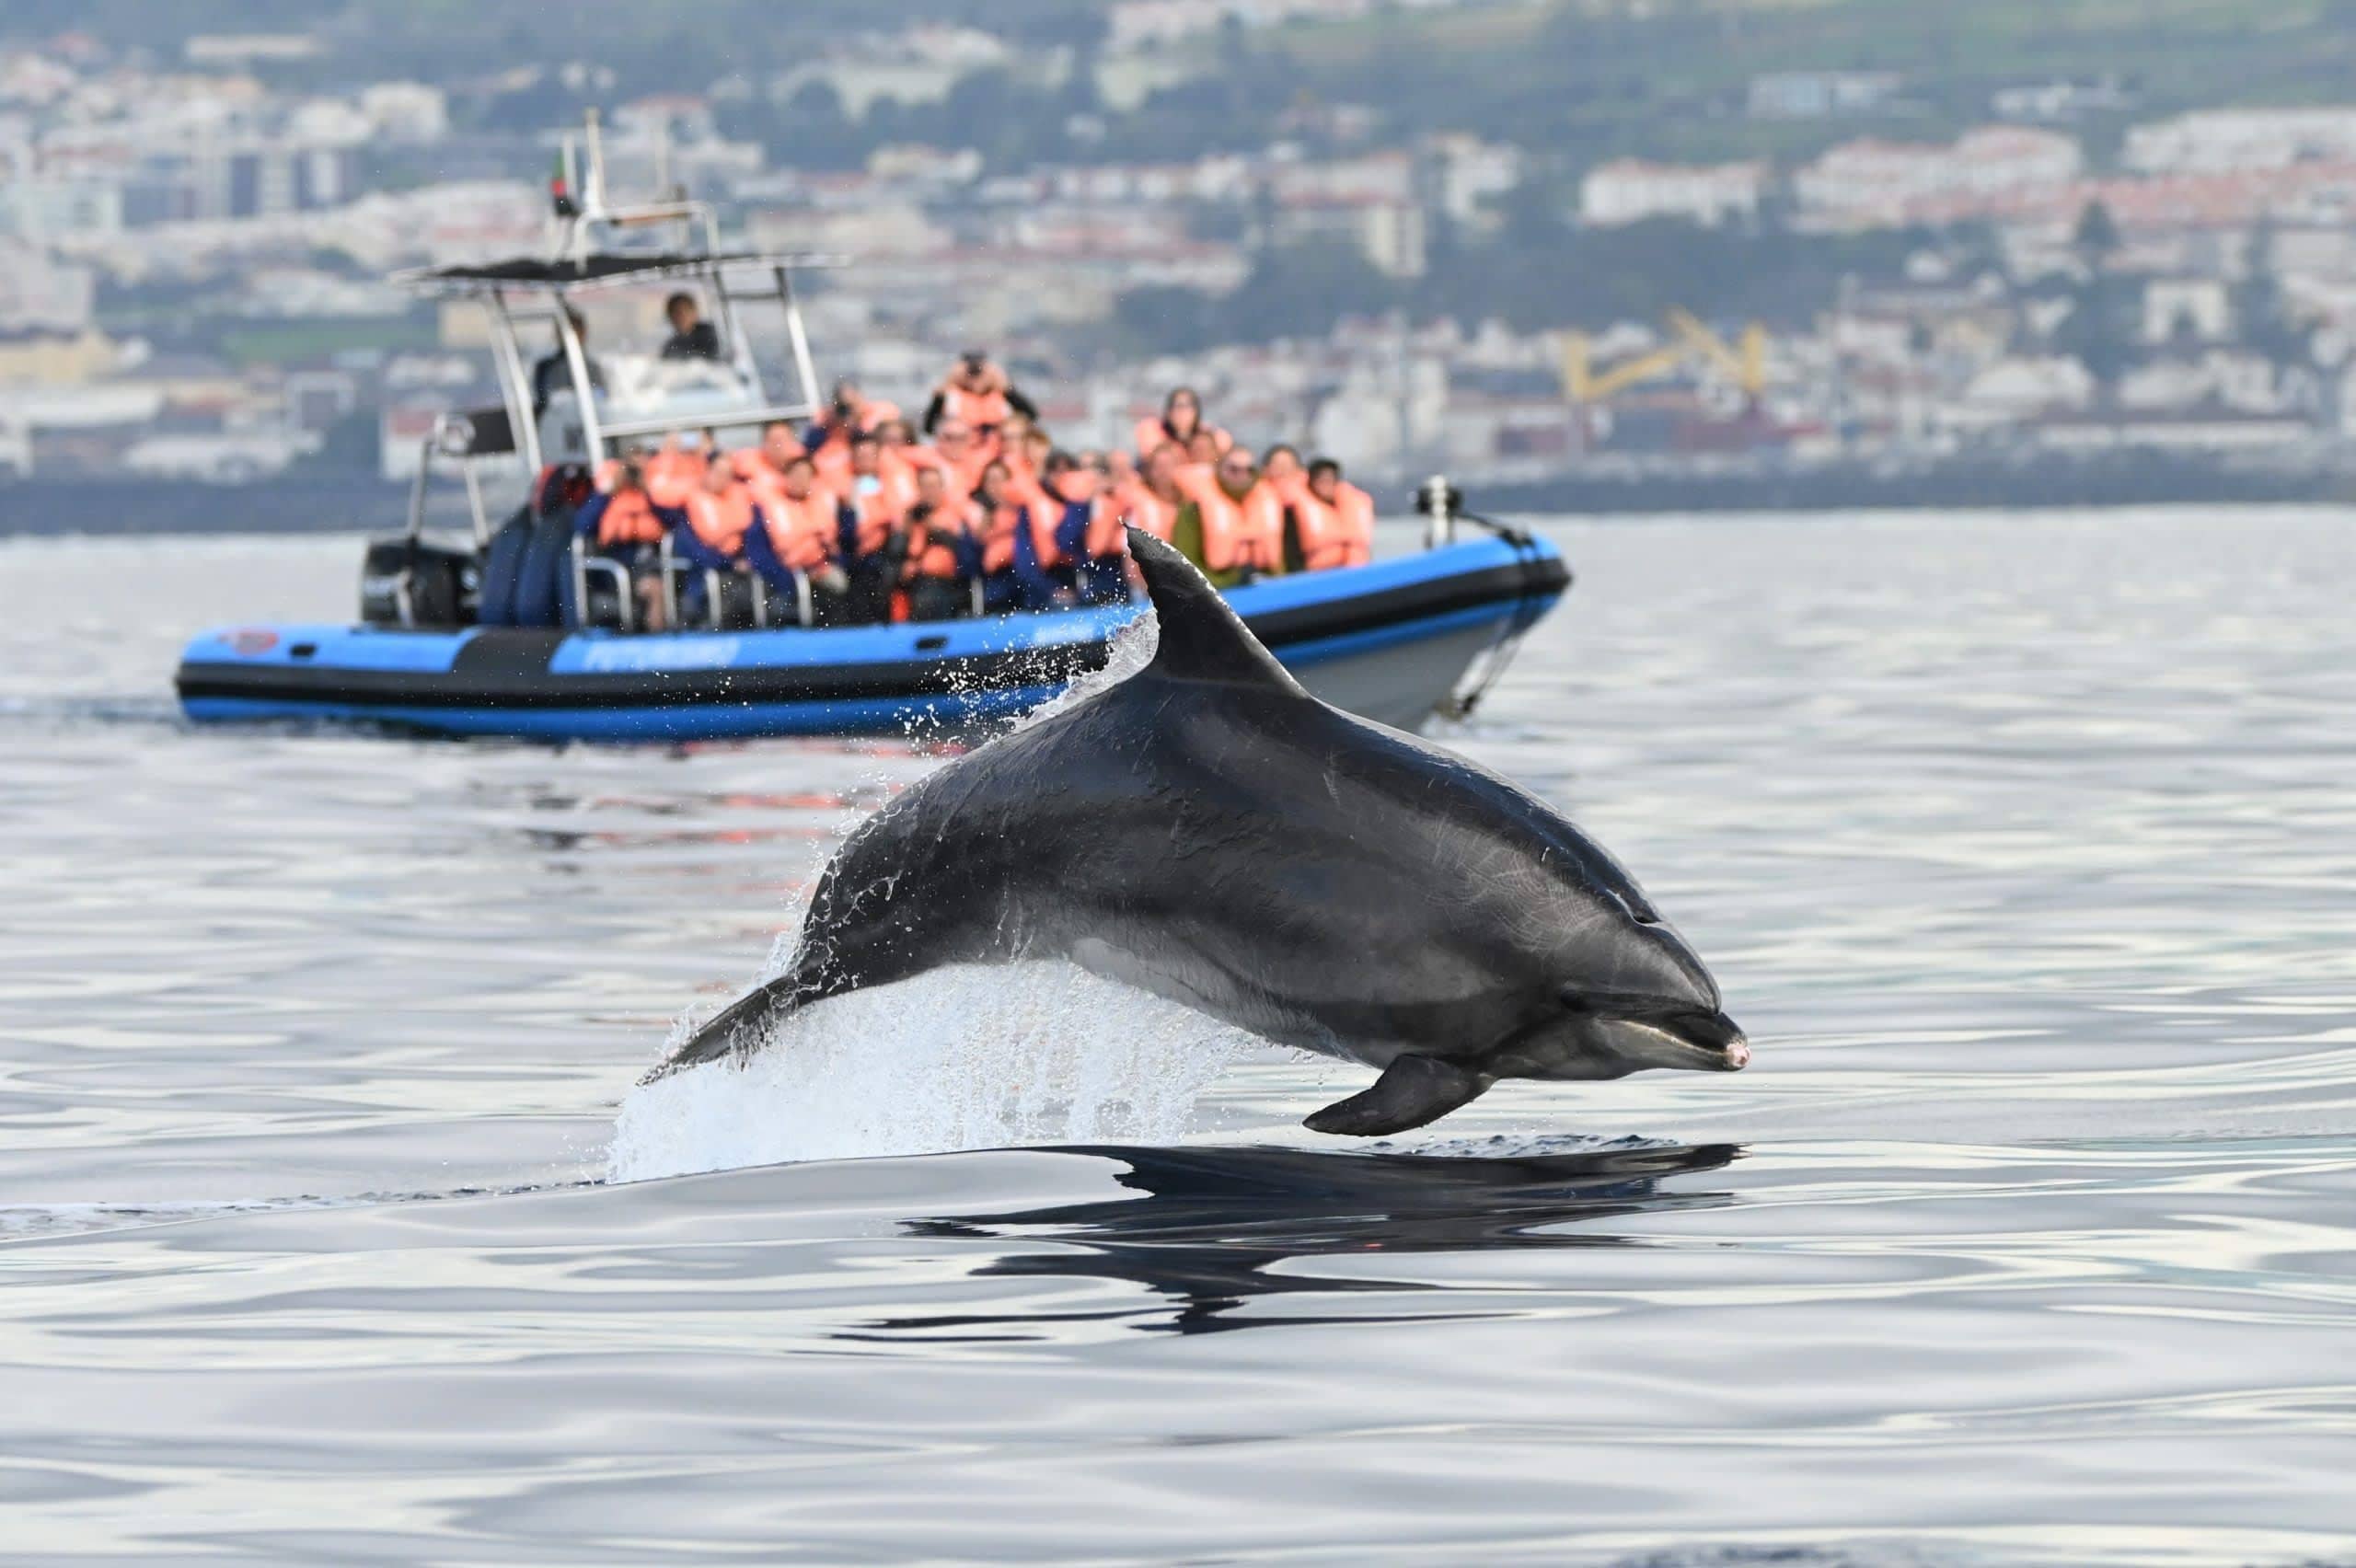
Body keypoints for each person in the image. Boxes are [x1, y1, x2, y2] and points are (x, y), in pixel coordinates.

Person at [572, 460, 680, 629]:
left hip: (649, 566)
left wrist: (648, 494)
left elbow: (673, 521)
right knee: (656, 588)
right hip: (619, 570)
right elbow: (581, 525)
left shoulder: (646, 500)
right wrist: (608, 492)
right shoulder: (605, 502)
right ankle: (658, 639)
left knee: (665, 581)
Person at [745, 455, 853, 622]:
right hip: (785, 574)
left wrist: (848, 510)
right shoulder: (769, 507)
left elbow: (841, 541)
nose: (800, 481)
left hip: (821, 569)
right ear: (785, 477)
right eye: (795, 475)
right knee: (784, 603)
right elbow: (758, 551)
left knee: (842, 585)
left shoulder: (823, 503)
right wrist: (786, 577)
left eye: (805, 476)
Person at [1172, 444, 1283, 589]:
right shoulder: (1194, 508)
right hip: (1217, 590)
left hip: (1265, 585)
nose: (1242, 475)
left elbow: (1281, 561)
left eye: (1249, 470)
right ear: (1219, 470)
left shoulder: (1268, 501)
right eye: (1233, 469)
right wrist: (1231, 581)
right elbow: (1185, 562)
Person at [839, 432, 911, 623]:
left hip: (897, 552)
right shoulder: (848, 492)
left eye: (871, 456)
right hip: (865, 558)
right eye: (861, 456)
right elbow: (847, 534)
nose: (866, 461)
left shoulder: (895, 482)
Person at [900, 464, 979, 622]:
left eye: (934, 486)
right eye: (925, 486)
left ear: (942, 488)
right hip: (916, 582)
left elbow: (969, 556)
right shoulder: (911, 518)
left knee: (929, 600)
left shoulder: (956, 516)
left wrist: (939, 534)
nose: (930, 491)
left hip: (950, 583)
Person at [923, 351, 1036, 439]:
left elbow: (1031, 415)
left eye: (980, 372)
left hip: (995, 458)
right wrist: (944, 388)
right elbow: (929, 427)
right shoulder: (951, 396)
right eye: (970, 373)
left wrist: (1006, 388)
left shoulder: (1002, 395)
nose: (975, 378)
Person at [1298, 457, 1375, 571]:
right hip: (1318, 574)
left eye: (1330, 480)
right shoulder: (1297, 511)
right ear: (1311, 483)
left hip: (1355, 571)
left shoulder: (1350, 503)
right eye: (1321, 480)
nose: (1326, 485)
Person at [531, 308, 605, 414]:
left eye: (575, 331)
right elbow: (544, 403)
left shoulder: (593, 367)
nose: (569, 337)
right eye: (563, 332)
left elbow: (601, 401)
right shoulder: (545, 368)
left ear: (583, 333)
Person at [1133, 386, 1228, 462]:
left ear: (1196, 412)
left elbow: (1225, 447)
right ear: (1168, 411)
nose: (1182, 412)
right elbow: (1151, 457)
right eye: (1178, 406)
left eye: (1188, 406)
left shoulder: (1209, 436)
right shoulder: (1151, 429)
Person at [660, 292, 722, 361]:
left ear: (695, 313)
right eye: (674, 313)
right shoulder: (672, 344)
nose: (679, 317)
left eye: (683, 312)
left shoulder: (712, 336)